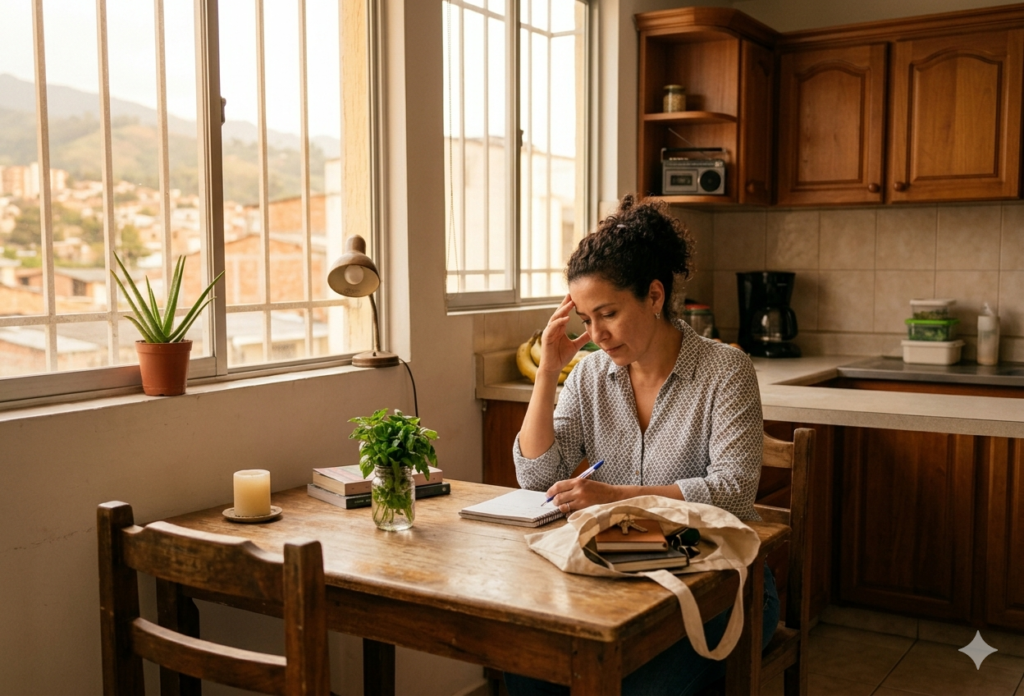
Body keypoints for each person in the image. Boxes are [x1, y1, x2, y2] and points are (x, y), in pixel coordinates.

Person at [507, 195, 780, 696]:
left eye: (607, 313)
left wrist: (615, 497)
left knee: (634, 683)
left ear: (654, 296)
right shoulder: (589, 373)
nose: (596, 335)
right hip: (628, 560)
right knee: (529, 665)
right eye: (586, 319)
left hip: (718, 568)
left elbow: (735, 493)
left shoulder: (725, 370)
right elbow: (536, 477)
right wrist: (548, 370)